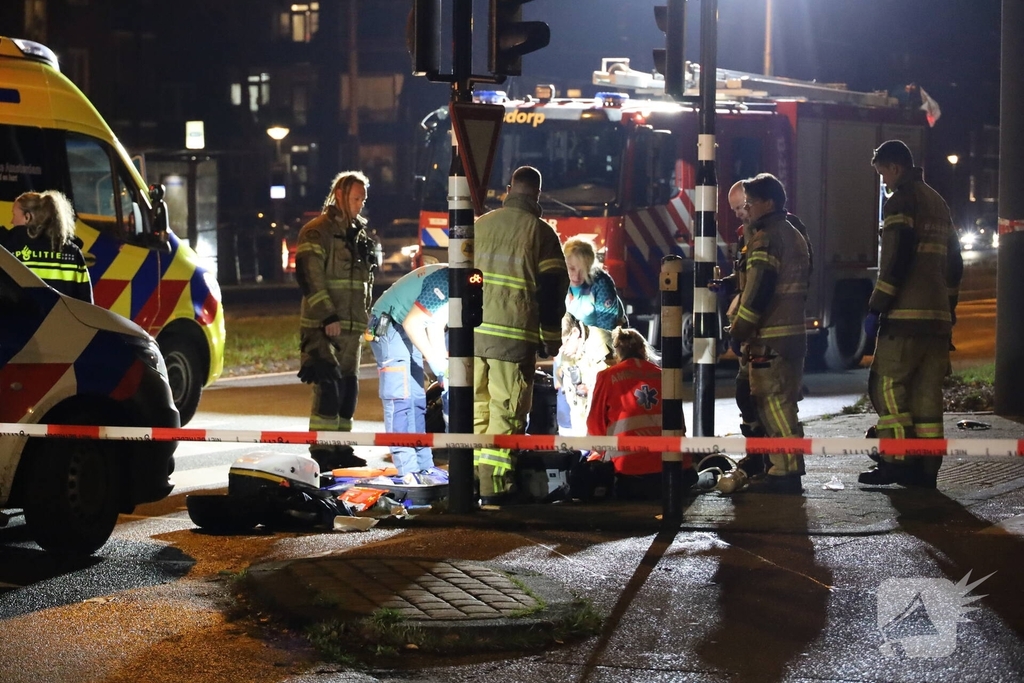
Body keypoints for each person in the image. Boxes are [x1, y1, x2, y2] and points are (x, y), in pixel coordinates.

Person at [858, 140, 963, 488]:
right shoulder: (938, 203)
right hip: (936, 322)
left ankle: (897, 463)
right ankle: (926, 470)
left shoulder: (900, 201)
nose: (884, 182)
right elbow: (955, 264)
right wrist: (948, 309)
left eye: (883, 173)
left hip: (904, 318)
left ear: (896, 167)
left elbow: (896, 260)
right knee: (927, 396)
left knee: (886, 385)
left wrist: (877, 307)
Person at [473, 166, 569, 505]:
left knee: (478, 408)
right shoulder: (540, 233)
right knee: (507, 409)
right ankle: (496, 487)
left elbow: (460, 276)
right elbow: (552, 289)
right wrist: (551, 337)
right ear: (537, 195)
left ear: (509, 188)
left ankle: (473, 482)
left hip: (472, 335)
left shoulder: (481, 224)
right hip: (512, 337)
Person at [728, 173, 811, 494]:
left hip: (770, 336)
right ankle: (781, 467)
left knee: (773, 404)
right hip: (792, 334)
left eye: (749, 203)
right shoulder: (793, 232)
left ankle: (784, 471)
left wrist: (739, 329)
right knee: (784, 402)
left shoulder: (766, 237)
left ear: (768, 202)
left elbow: (759, 289)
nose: (746, 209)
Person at [295, 171, 378, 472]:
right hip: (325, 327)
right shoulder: (317, 231)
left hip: (351, 328)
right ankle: (322, 450)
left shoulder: (359, 234)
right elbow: (310, 276)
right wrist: (327, 315)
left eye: (363, 200)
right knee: (328, 388)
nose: (360, 205)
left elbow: (364, 284)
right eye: (356, 198)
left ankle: (341, 447)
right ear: (340, 195)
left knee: (348, 390)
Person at [367, 264, 449, 477]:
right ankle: (408, 470)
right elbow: (413, 323)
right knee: (400, 398)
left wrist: (442, 368)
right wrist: (438, 364)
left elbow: (435, 325)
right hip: (388, 323)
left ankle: (424, 467)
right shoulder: (446, 281)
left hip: (402, 323)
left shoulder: (457, 282)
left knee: (416, 399)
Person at [586, 327, 671, 499]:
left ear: (618, 353)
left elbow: (595, 425)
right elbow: (680, 426)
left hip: (629, 470)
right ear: (643, 350)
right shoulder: (664, 376)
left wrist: (598, 453)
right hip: (671, 469)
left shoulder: (607, 376)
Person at [555, 236, 626, 433]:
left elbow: (607, 327)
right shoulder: (560, 282)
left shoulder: (600, 283)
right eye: (570, 268)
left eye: (581, 268)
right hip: (569, 346)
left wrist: (582, 343)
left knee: (596, 400)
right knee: (570, 403)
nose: (575, 275)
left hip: (597, 349)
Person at [2, 190, 92, 303]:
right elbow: (86, 304)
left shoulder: (9, 244)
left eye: (14, 215)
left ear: (27, 217)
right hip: (59, 320)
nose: (12, 221)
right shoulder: (72, 252)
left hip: (18, 319)